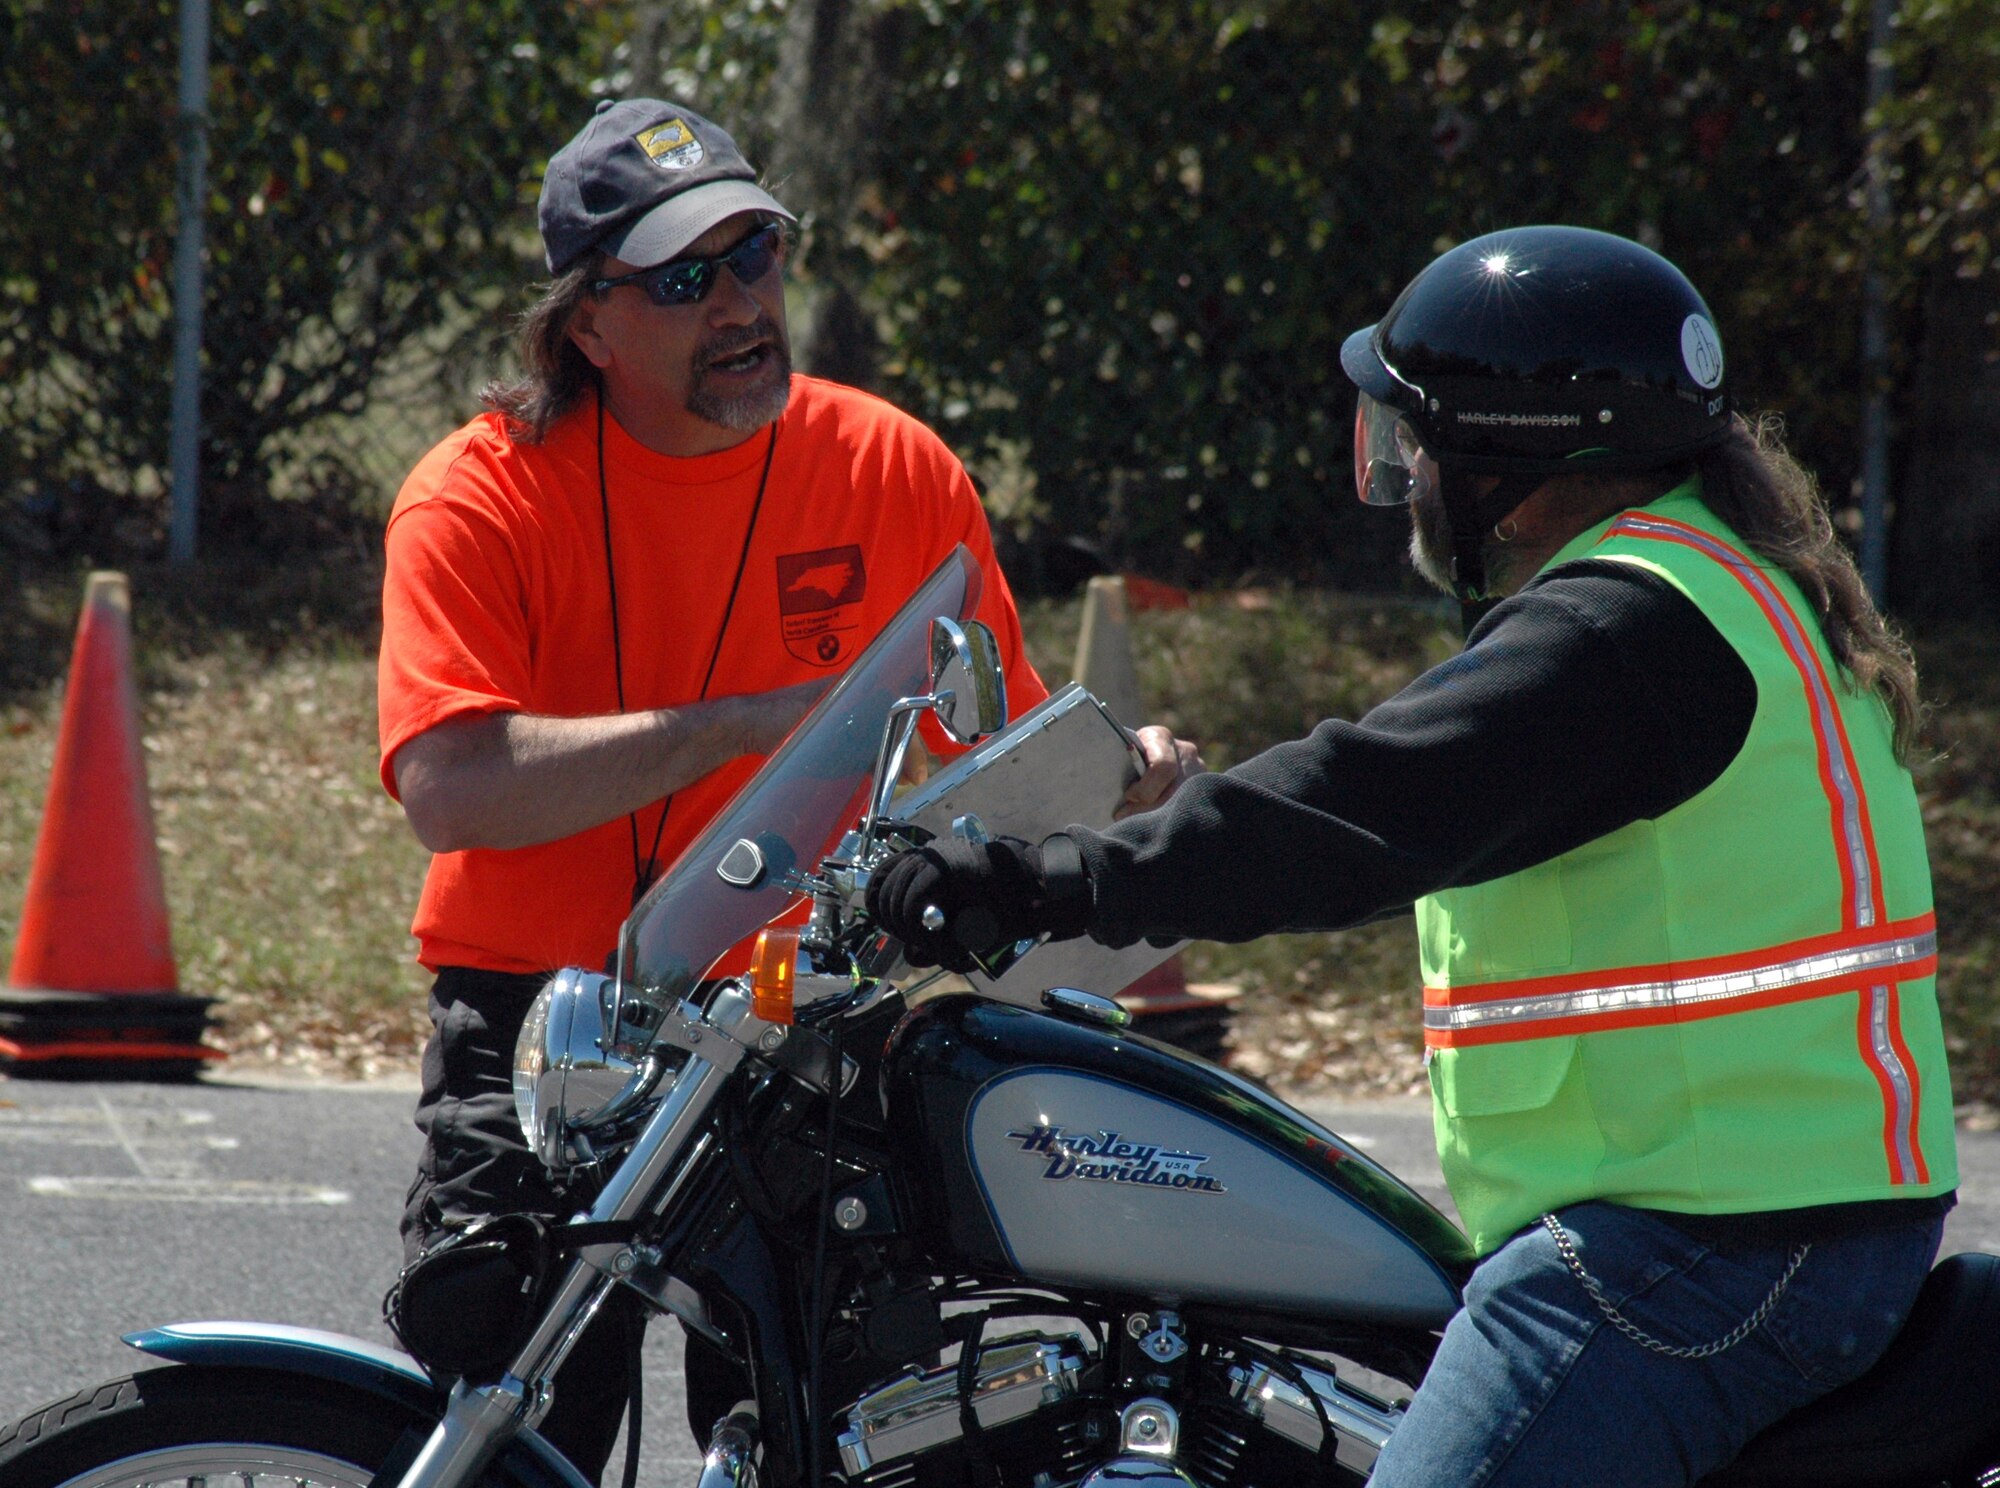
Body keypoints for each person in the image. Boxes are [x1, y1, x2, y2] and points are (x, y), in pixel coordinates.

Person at [866, 225, 1959, 1487]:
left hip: (1704, 1254)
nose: (1403, 476)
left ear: (1512, 457)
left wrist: (1044, 879)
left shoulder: (1621, 632)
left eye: (1414, 442)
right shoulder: (1721, 588)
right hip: (1765, 1227)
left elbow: (1355, 807)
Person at [376, 98, 1197, 1478]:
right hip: (543, 1032)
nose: (741, 304)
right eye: (686, 280)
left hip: (812, 1026)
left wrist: (1114, 785)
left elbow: (981, 768)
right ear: (585, 324)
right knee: (507, 1439)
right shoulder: (478, 496)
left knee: (842, 1445)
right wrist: (739, 729)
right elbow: (451, 792)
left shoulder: (892, 468)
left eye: (756, 255)